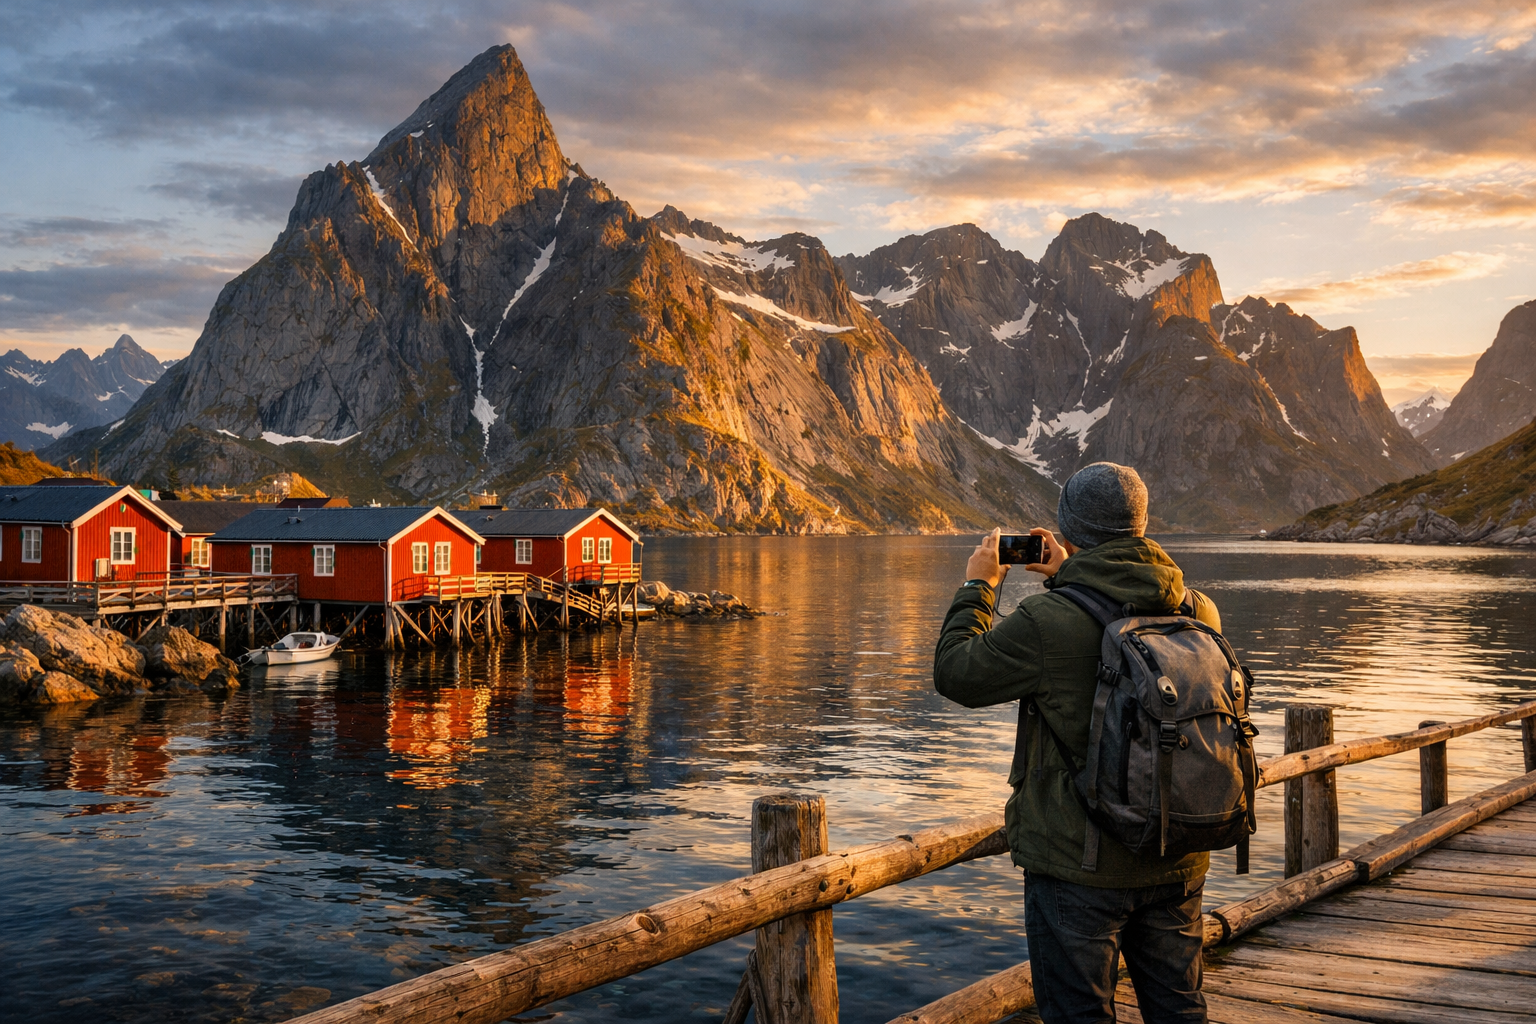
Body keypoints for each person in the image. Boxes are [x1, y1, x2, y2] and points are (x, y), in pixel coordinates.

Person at [933, 462, 1219, 1024]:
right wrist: (1072, 575)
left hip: (1078, 865)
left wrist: (979, 585)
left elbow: (957, 673)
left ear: (1067, 530)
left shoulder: (1048, 618)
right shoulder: (1197, 609)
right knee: (1180, 1010)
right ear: (1141, 524)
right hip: (1177, 849)